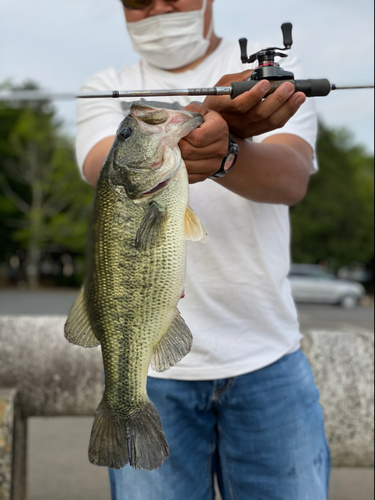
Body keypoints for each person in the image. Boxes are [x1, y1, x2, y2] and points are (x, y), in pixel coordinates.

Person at [76, 0, 331, 499]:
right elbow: (99, 165)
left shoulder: (267, 82)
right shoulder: (105, 86)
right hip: (154, 376)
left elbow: (293, 177)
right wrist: (206, 118)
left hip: (268, 361)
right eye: (138, 0)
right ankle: (123, 404)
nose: (159, 7)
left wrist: (227, 152)